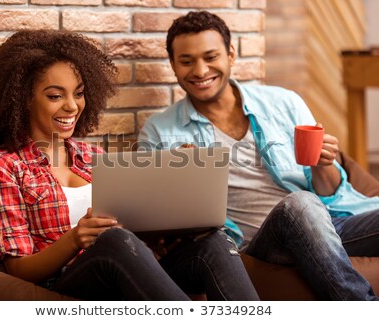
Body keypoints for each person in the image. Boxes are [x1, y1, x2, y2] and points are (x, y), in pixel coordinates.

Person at [0, 29, 259, 301]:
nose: (72, 106)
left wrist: (175, 180)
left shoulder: (93, 156)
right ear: (22, 100)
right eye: (55, 96)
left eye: (79, 93)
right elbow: (18, 269)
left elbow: (135, 226)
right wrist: (74, 240)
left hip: (129, 268)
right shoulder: (2, 167)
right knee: (115, 241)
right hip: (66, 283)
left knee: (215, 243)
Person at [138, 11, 379, 300]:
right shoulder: (159, 132)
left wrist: (322, 165)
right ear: (173, 65)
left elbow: (327, 189)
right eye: (187, 61)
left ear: (230, 55)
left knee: (307, 205)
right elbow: (153, 216)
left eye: (211, 57)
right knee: (299, 204)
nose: (200, 71)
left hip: (325, 225)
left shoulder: (283, 103)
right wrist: (178, 178)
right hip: (262, 243)